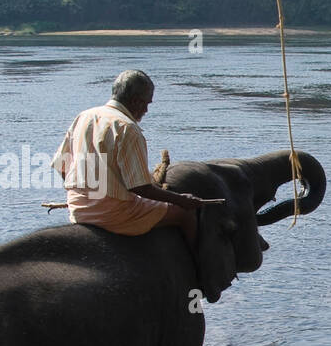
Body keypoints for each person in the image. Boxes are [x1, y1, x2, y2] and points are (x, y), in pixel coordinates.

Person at [51, 70, 215, 248]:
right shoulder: (127, 128)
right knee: (184, 215)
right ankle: (200, 271)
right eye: (146, 104)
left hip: (78, 209)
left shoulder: (83, 117)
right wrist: (182, 200)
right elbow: (140, 188)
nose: (145, 110)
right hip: (113, 214)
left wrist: (84, 195)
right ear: (136, 101)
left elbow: (62, 166)